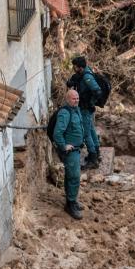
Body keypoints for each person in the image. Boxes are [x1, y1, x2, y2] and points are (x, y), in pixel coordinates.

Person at [52, 89, 86, 220]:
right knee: (74, 176)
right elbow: (57, 133)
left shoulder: (75, 110)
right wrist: (63, 145)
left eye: (77, 98)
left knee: (70, 176)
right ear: (67, 99)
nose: (76, 100)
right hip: (70, 152)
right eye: (73, 98)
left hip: (76, 149)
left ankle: (71, 200)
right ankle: (70, 204)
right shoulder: (65, 113)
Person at [66, 55, 102, 170]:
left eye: (75, 67)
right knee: (91, 130)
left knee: (86, 133)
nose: (74, 68)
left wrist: (90, 102)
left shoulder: (87, 77)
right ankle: (96, 152)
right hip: (86, 108)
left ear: (80, 68)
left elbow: (97, 91)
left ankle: (93, 159)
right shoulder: (84, 73)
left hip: (86, 108)